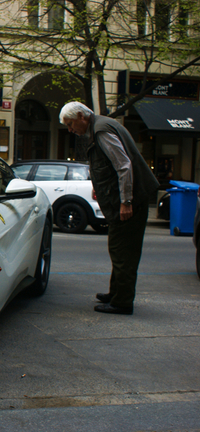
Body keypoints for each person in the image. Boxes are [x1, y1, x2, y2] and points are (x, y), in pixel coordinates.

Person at [59, 101, 159, 315]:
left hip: (129, 203)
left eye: (70, 124)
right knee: (118, 249)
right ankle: (116, 293)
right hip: (123, 202)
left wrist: (126, 201)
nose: (71, 130)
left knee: (124, 253)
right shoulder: (101, 126)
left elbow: (123, 166)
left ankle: (121, 302)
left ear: (80, 116)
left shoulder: (101, 130)